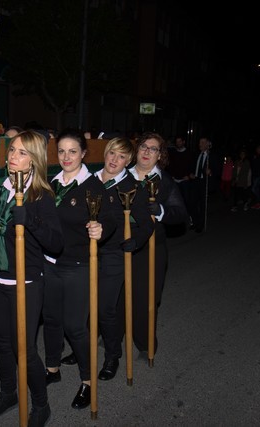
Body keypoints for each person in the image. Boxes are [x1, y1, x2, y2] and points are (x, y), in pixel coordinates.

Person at [0, 130, 63, 427]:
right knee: (1, 344)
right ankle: (7, 393)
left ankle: (41, 405)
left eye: (22, 153)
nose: (13, 157)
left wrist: (32, 220)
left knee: (24, 351)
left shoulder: (42, 196)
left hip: (25, 284)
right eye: (12, 150)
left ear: (35, 160)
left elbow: (56, 242)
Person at [42, 128, 114, 410]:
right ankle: (52, 369)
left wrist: (101, 228)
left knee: (75, 326)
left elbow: (109, 219)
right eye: (61, 151)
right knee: (51, 320)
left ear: (84, 153)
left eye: (73, 151)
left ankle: (87, 381)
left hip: (78, 265)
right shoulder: (52, 184)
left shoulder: (93, 187)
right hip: (51, 264)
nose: (66, 156)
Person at [94, 137, 154, 380]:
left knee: (106, 308)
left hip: (113, 255)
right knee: (85, 306)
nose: (113, 160)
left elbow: (146, 226)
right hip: (85, 253)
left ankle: (112, 356)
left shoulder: (130, 187)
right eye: (111, 154)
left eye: (120, 157)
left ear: (128, 161)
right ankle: (82, 349)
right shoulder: (89, 179)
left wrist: (135, 241)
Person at [128, 132, 187, 357]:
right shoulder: (124, 174)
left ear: (160, 155)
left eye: (153, 149)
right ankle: (115, 333)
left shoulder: (164, 181)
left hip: (152, 247)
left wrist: (161, 211)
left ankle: (145, 343)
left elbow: (180, 213)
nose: (146, 152)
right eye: (143, 146)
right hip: (122, 244)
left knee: (147, 298)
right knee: (119, 294)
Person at [188, 137, 212, 232]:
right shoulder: (196, 154)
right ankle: (195, 221)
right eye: (199, 142)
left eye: (202, 142)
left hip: (204, 182)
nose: (200, 144)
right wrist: (191, 173)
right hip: (195, 181)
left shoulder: (211, 155)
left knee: (202, 205)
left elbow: (217, 168)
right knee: (191, 204)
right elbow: (192, 165)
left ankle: (200, 225)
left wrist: (210, 172)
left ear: (207, 144)